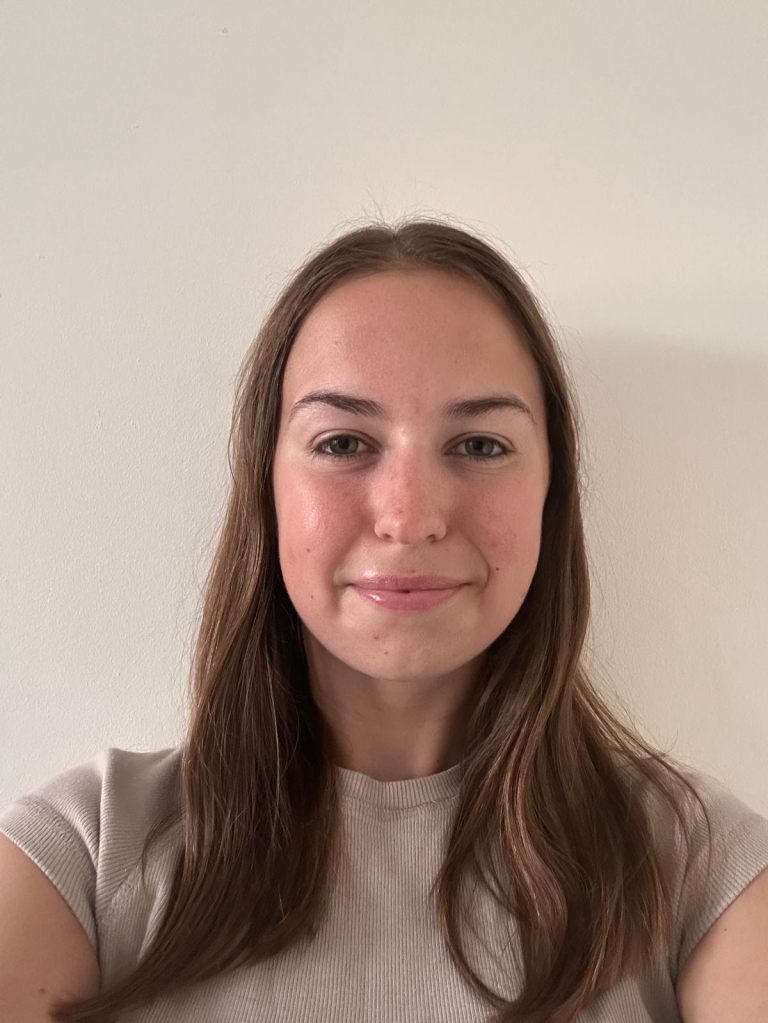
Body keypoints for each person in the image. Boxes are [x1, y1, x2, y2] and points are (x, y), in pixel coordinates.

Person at [1, 217, 767, 1023]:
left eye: (480, 445)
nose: (410, 516)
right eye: (342, 442)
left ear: (552, 493)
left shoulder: (701, 875)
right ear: (267, 488)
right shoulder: (81, 857)